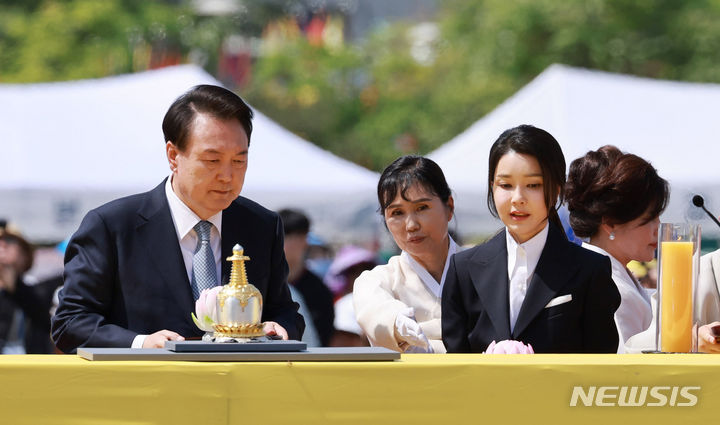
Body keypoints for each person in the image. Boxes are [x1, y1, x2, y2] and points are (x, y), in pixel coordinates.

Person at [51, 85, 304, 353]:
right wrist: (141, 343)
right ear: (173, 155)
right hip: (145, 386)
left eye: (239, 161)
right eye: (212, 160)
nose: (227, 176)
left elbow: (284, 310)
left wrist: (278, 327)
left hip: (236, 388)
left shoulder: (261, 226)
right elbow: (70, 323)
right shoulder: (112, 226)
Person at [442, 125, 620, 353]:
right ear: (492, 187)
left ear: (556, 189)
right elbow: (455, 368)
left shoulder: (590, 270)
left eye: (533, 185)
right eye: (505, 185)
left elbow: (600, 367)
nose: (517, 198)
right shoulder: (463, 271)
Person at [565, 145, 669, 352]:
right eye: (649, 219)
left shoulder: (607, 273)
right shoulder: (605, 284)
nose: (659, 228)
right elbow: (626, 372)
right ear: (610, 223)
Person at [354, 155, 457, 353]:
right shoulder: (376, 280)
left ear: (449, 207)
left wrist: (422, 337)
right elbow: (376, 314)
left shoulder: (485, 269)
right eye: (397, 213)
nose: (411, 225)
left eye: (422, 208)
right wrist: (399, 325)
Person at [278, 208, 335, 346]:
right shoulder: (262, 283)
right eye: (284, 235)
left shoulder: (318, 290)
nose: (286, 243)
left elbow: (322, 337)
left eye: (296, 236)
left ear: (305, 240)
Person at [0, 227, 61, 353]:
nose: (3, 244)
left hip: (30, 366)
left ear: (25, 256)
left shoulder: (40, 291)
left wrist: (10, 276)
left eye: (10, 240)